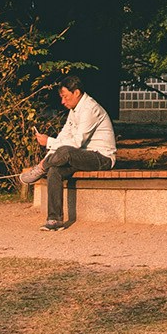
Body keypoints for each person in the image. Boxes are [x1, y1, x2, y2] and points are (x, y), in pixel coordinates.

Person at [37, 75, 117, 229]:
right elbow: (63, 136)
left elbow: (76, 142)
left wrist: (48, 142)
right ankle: (54, 220)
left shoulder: (90, 109)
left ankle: (40, 168)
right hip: (81, 156)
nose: (63, 102)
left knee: (66, 150)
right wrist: (48, 155)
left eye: (65, 97)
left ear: (77, 93)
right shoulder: (74, 111)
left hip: (101, 157)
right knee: (55, 170)